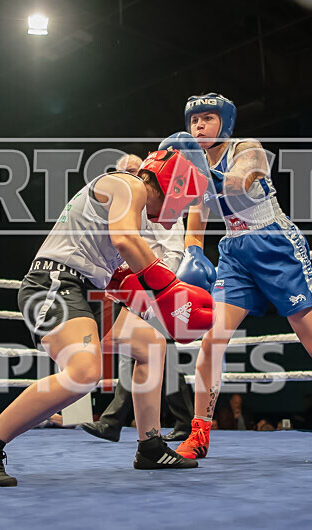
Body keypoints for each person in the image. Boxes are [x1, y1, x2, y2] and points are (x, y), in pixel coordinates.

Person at [0, 145, 214, 486]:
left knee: (151, 344)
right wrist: (171, 291)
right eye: (184, 201)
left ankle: (149, 446)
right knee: (83, 372)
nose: (180, 210)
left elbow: (121, 272)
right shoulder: (128, 185)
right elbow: (124, 240)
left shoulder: (132, 209)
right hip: (55, 281)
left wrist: (164, 304)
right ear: (174, 186)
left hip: (90, 289)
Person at [169, 93, 312, 459]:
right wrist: (193, 250)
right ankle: (200, 432)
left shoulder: (246, 148)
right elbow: (197, 214)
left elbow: (239, 182)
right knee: (212, 341)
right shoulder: (195, 167)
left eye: (207, 118)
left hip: (275, 246)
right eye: (193, 121)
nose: (198, 126)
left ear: (224, 123)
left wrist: (200, 172)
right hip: (236, 254)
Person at [81, 153, 195, 443]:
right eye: (125, 172)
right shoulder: (128, 205)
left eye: (135, 171)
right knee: (146, 352)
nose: (131, 177)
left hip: (155, 285)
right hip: (134, 284)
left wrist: (163, 288)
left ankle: (117, 422)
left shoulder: (161, 208)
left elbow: (172, 252)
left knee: (150, 351)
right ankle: (120, 422)